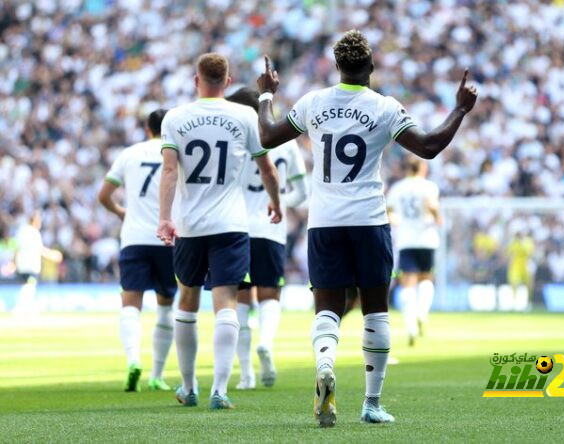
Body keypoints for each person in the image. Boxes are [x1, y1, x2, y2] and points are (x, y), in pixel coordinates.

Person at [256, 30, 477, 426]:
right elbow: (428, 147)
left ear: (337, 67)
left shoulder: (313, 103)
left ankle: (325, 366)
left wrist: (266, 95)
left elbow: (268, 136)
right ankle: (372, 404)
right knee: (376, 312)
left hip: (324, 222)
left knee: (328, 309)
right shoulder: (384, 107)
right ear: (371, 67)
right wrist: (459, 109)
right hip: (370, 221)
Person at [157, 53, 282, 410]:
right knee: (226, 303)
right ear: (227, 82)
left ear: (196, 80)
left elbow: (168, 171)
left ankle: (188, 386)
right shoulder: (244, 115)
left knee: (187, 300)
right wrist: (275, 202)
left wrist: (165, 218)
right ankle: (220, 390)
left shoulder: (175, 118)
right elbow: (268, 170)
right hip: (230, 224)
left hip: (190, 224)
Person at [224, 87, 308, 390]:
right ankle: (267, 344)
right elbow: (302, 191)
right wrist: (280, 202)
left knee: (241, 301)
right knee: (271, 294)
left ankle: (246, 374)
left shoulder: (235, 142)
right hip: (271, 230)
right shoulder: (286, 145)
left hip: (237, 230)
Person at [98, 109, 176, 393]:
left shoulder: (129, 154)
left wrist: (122, 213)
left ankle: (133, 361)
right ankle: (157, 374)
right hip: (168, 238)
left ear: (147, 129)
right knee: (166, 306)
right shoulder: (176, 152)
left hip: (134, 238)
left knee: (130, 304)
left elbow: (103, 195)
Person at [387, 158, 442, 346]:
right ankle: (422, 313)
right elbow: (433, 207)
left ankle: (410, 326)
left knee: (407, 284)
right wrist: (438, 218)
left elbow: (389, 212)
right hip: (427, 239)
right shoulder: (429, 187)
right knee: (426, 279)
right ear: (423, 168)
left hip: (406, 240)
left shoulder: (397, 188)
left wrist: (396, 220)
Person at [12, 212, 63, 316]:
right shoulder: (34, 233)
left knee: (26, 285)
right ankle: (21, 308)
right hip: (31, 264)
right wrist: (53, 255)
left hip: (21, 264)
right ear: (35, 221)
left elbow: (16, 248)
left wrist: (14, 262)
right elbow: (40, 250)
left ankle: (26, 307)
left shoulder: (22, 231)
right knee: (29, 286)